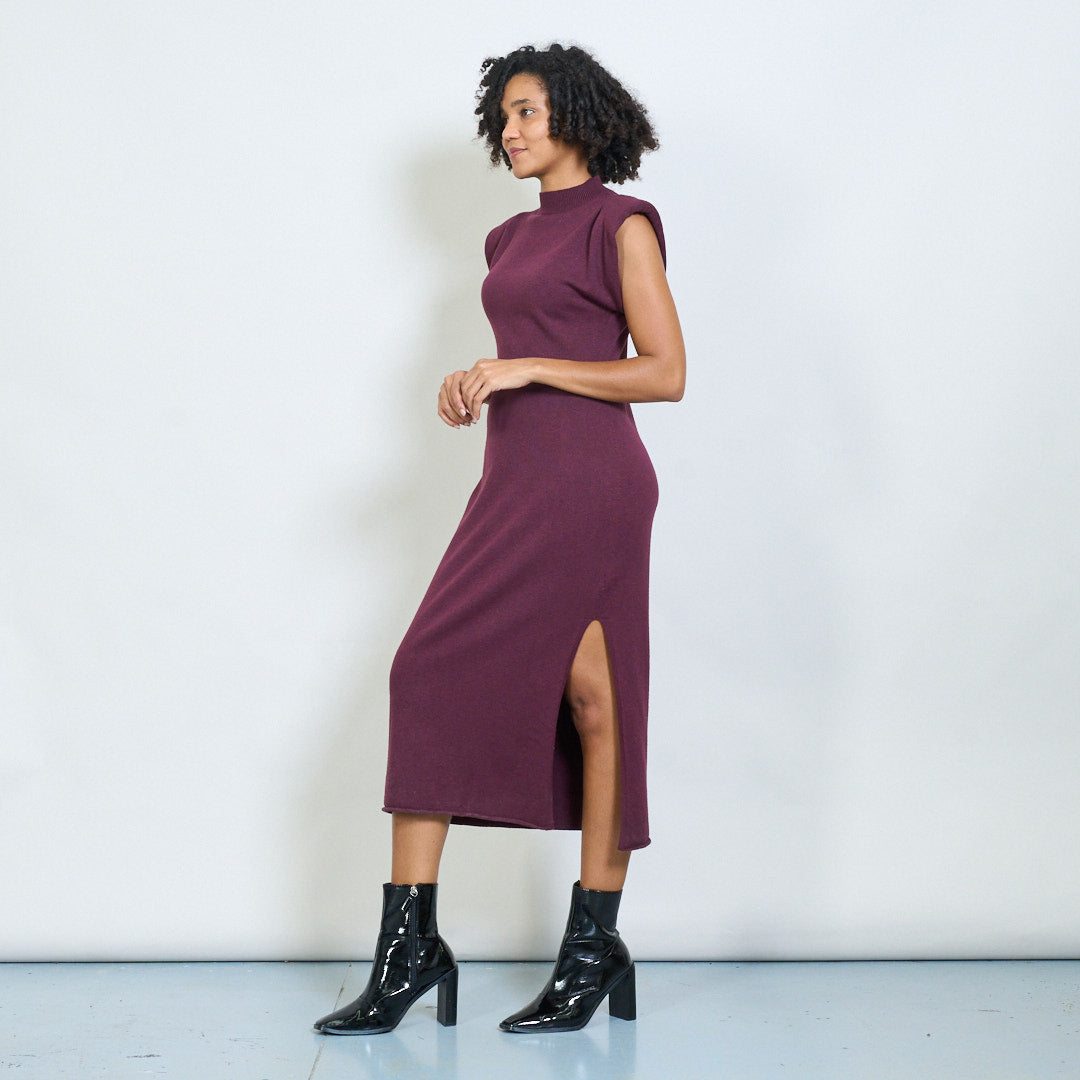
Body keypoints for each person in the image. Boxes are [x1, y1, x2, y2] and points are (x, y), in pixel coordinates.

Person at [314, 42, 685, 1036]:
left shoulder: (621, 223)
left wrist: (525, 367)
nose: (510, 132)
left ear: (575, 115)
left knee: (600, 708)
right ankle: (410, 949)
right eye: (504, 116)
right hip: (514, 483)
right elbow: (530, 350)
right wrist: (478, 375)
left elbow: (665, 371)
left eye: (526, 112)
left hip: (594, 487)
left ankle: (593, 947)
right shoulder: (505, 240)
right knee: (426, 670)